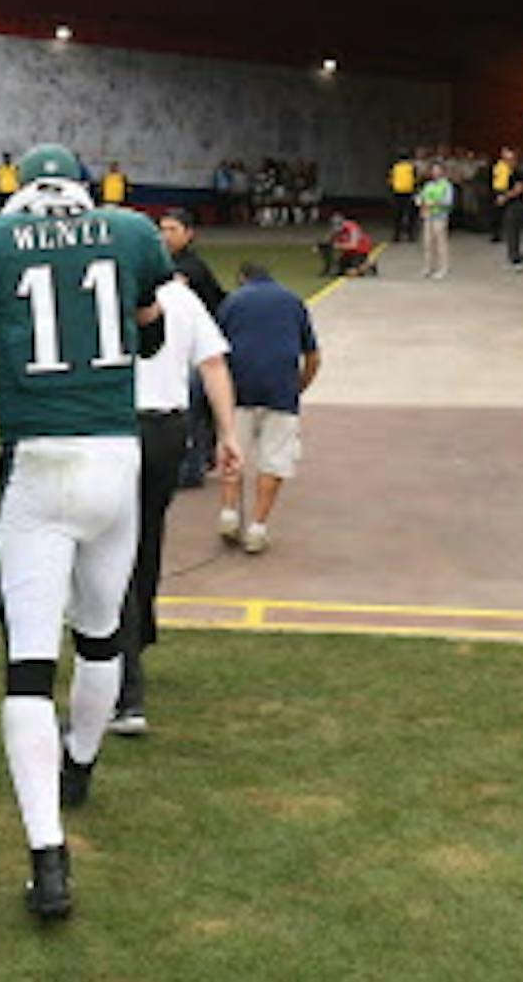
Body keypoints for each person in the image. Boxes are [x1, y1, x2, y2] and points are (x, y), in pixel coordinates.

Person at [0, 142, 172, 921]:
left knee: (30, 668)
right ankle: (80, 765)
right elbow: (152, 333)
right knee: (100, 635)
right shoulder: (130, 230)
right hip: (115, 458)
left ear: (21, 188)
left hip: (36, 461)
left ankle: (48, 858)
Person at [114, 274, 240, 736]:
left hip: (119, 427)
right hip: (167, 430)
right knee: (147, 537)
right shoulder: (182, 298)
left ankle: (126, 689)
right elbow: (213, 364)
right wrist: (227, 432)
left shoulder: (110, 287)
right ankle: (139, 633)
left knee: (113, 555)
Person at [216, 262, 321, 555]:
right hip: (281, 390)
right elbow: (313, 356)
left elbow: (215, 352)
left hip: (239, 389)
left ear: (242, 279)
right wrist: (299, 387)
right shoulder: (293, 302)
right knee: (275, 459)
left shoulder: (232, 302)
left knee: (232, 452)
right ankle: (258, 527)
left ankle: (229, 513)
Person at [157, 208, 224, 488]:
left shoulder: (190, 266)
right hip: (176, 346)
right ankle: (199, 458)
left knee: (191, 408)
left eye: (173, 229)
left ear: (189, 234)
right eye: (162, 229)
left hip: (198, 348)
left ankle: (192, 467)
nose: (165, 235)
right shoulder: (163, 262)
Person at [416, 161, 454, 280]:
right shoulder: (428, 185)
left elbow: (447, 201)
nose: (435, 172)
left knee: (440, 243)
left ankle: (443, 267)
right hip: (427, 216)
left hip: (440, 217)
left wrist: (433, 203)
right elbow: (420, 198)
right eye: (433, 170)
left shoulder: (446, 185)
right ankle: (428, 267)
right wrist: (420, 202)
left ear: (442, 171)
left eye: (438, 170)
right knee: (427, 243)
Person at [317, 211, 374, 277]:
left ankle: (367, 265)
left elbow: (353, 245)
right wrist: (323, 246)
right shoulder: (334, 230)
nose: (336, 228)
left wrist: (337, 245)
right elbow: (327, 241)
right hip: (348, 253)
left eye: (338, 225)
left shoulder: (352, 228)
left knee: (351, 273)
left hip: (360, 250)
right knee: (339, 272)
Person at [388, 151, 419, 243]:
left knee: (398, 214)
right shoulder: (412, 167)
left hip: (397, 193)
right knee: (410, 214)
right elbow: (416, 180)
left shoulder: (394, 167)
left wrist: (392, 190)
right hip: (409, 193)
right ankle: (410, 235)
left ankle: (397, 235)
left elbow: (390, 180)